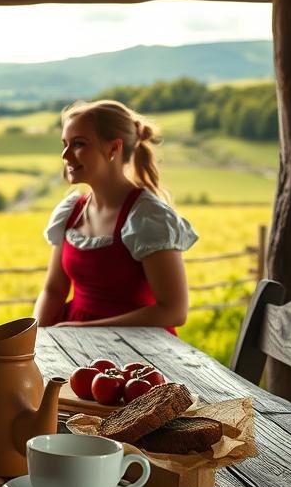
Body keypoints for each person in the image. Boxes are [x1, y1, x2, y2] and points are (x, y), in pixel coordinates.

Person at [34, 99, 197, 333]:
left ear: (113, 148)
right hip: (73, 336)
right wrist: (36, 339)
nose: (65, 154)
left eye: (78, 144)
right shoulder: (72, 212)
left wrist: (86, 329)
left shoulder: (147, 218)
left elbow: (173, 311)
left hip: (136, 346)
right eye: (65, 144)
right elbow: (53, 290)